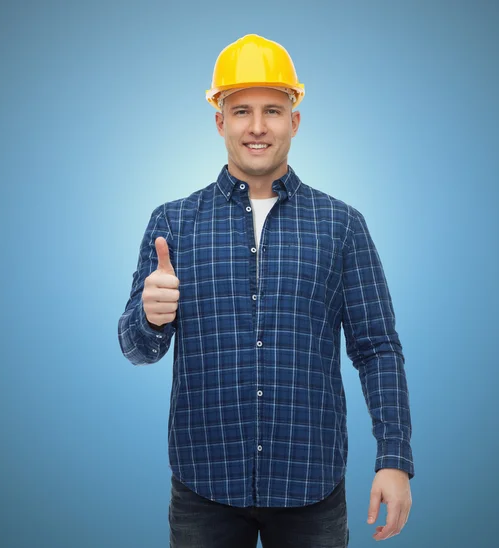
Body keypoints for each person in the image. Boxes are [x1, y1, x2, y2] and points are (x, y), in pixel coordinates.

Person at [118, 33, 414, 547]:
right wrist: (150, 317)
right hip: (203, 486)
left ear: (295, 120)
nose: (257, 127)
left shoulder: (341, 225)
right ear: (219, 121)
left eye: (273, 111)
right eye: (241, 111)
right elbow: (137, 349)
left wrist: (394, 458)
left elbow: (377, 348)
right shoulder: (173, 222)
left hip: (310, 487)